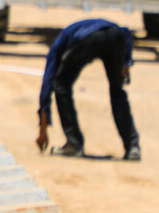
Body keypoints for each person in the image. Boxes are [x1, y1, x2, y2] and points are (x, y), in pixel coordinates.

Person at [33, 19, 140, 161]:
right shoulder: (78, 30)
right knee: (117, 90)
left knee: (61, 83)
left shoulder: (57, 47)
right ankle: (133, 147)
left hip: (87, 39)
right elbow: (125, 32)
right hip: (116, 36)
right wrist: (127, 62)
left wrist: (42, 130)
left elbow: (47, 84)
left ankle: (74, 144)